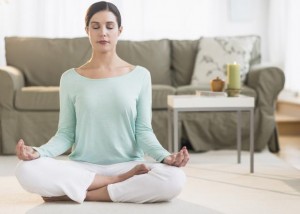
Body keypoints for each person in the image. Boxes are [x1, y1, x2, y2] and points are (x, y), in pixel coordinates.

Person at [15, 1, 189, 203]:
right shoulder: (70, 78)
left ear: (120, 30)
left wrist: (165, 157)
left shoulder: (140, 75)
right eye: (95, 26)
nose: (103, 32)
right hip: (83, 166)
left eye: (109, 26)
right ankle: (113, 182)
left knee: (175, 178)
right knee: (25, 169)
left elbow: (143, 131)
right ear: (87, 30)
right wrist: (38, 152)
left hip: (128, 166)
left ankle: (86, 193)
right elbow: (65, 134)